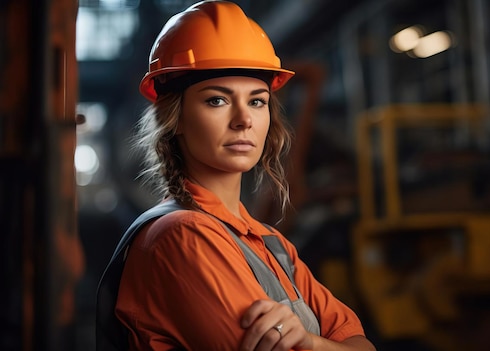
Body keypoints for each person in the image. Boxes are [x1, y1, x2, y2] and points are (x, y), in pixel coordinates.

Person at [96, 1, 376, 350]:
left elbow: (363, 345)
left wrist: (311, 344)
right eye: (217, 100)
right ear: (176, 118)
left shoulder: (269, 242)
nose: (244, 119)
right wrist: (325, 342)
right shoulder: (181, 236)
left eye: (257, 101)